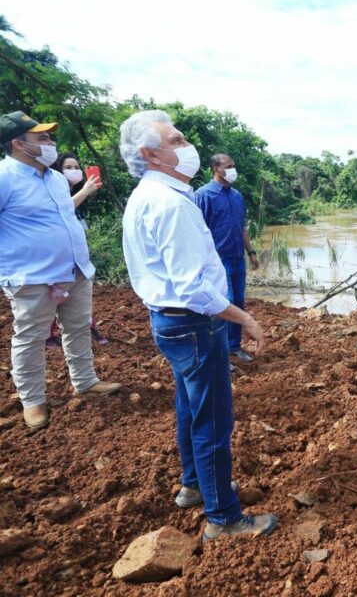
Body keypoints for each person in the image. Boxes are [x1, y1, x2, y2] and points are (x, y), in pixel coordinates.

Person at [119, 110, 276, 540]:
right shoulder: (172, 205)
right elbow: (192, 288)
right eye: (176, 140)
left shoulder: (149, 195)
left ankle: (194, 485)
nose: (187, 146)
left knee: (191, 407)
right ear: (150, 154)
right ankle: (223, 518)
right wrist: (244, 317)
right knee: (213, 421)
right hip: (194, 324)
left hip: (171, 323)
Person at [0, 111, 122, 428]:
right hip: (32, 277)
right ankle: (32, 401)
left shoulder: (55, 179)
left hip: (75, 269)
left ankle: (85, 380)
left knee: (78, 327)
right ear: (18, 143)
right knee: (31, 337)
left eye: (50, 137)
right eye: (42, 137)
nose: (50, 142)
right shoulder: (4, 177)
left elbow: (64, 216)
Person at [192, 154, 260, 363]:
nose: (233, 170)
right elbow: (197, 231)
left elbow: (241, 227)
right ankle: (219, 354)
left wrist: (251, 252)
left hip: (237, 258)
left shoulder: (236, 196)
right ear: (216, 169)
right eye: (229, 166)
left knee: (237, 302)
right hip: (216, 261)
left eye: (233, 166)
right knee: (221, 305)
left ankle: (234, 347)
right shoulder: (203, 195)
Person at [46, 152, 109, 348]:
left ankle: (88, 327)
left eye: (76, 167)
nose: (74, 171)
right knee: (54, 298)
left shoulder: (76, 193)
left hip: (77, 259)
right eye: (68, 167)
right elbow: (61, 211)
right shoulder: (53, 191)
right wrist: (84, 192)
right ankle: (48, 334)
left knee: (76, 299)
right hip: (56, 258)